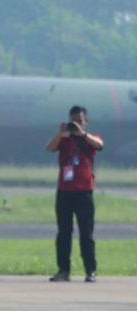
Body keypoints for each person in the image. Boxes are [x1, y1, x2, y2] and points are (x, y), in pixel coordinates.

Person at [46, 105, 103, 282]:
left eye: (79, 121)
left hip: (84, 192)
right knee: (63, 233)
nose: (76, 124)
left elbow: (100, 145)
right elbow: (50, 148)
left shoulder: (89, 138)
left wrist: (82, 134)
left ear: (86, 122)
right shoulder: (64, 140)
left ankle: (90, 270)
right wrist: (61, 134)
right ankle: (64, 270)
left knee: (86, 234)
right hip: (64, 192)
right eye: (73, 121)